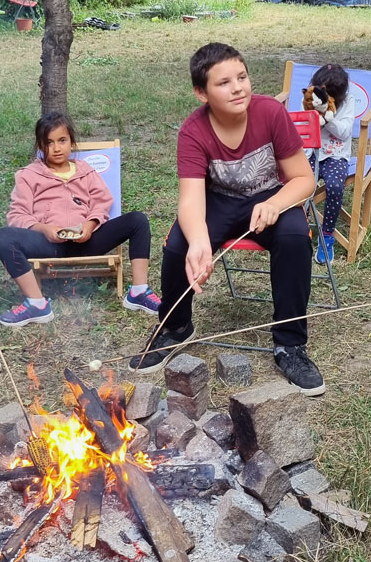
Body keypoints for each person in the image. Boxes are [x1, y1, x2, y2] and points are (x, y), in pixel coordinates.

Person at [129, 42, 325, 396]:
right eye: (224, 83)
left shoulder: (270, 113)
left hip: (270, 196)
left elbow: (304, 179)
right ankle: (176, 326)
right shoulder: (193, 131)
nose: (238, 87)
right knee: (179, 245)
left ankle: (290, 345)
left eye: (242, 77)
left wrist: (277, 203)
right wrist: (200, 243)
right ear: (201, 93)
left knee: (295, 238)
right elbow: (190, 200)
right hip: (218, 201)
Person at [0, 112, 160, 325]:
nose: (56, 148)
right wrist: (44, 229)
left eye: (62, 140)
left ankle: (139, 292)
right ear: (40, 146)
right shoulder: (28, 175)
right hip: (48, 244)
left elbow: (102, 202)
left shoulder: (85, 170)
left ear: (71, 141)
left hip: (87, 240)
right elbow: (17, 215)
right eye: (49, 142)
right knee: (3, 237)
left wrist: (89, 225)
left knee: (138, 220)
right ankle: (36, 304)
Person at [304, 63, 356, 263]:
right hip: (310, 152)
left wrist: (327, 117)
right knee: (301, 186)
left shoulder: (348, 102)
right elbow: (304, 126)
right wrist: (312, 112)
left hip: (336, 155)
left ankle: (327, 235)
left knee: (335, 187)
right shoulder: (309, 98)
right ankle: (302, 229)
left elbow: (344, 133)